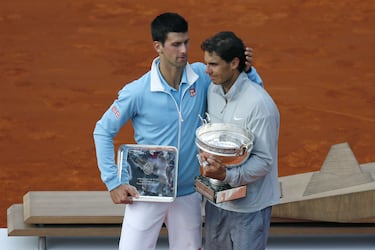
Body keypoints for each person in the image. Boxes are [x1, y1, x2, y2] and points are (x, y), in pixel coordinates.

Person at [93, 12, 263, 250]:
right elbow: (102, 131)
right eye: (175, 44)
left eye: (186, 42)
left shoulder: (202, 78)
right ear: (158, 47)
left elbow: (248, 94)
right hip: (146, 193)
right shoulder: (137, 92)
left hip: (188, 194)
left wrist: (247, 69)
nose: (183, 50)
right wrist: (113, 182)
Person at [199, 31, 280, 250]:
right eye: (207, 64)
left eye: (213, 64)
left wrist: (227, 175)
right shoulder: (212, 91)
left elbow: (264, 161)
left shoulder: (260, 106)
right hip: (217, 202)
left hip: (249, 209)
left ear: (234, 63)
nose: (207, 71)